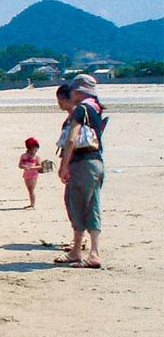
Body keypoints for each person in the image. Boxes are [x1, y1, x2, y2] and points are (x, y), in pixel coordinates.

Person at [56, 74, 107, 269]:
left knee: (75, 205)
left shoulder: (80, 110)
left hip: (82, 163)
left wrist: (64, 166)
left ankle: (78, 250)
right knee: (92, 204)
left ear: (77, 91)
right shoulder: (96, 109)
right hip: (96, 162)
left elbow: (71, 140)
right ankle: (92, 251)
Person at [19, 137, 42, 209]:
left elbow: (40, 166)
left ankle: (32, 204)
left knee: (31, 189)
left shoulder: (36, 157)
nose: (36, 150)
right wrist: (24, 166)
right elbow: (20, 165)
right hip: (26, 174)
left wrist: (31, 168)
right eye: (34, 148)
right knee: (29, 189)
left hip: (33, 174)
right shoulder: (23, 156)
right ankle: (31, 203)